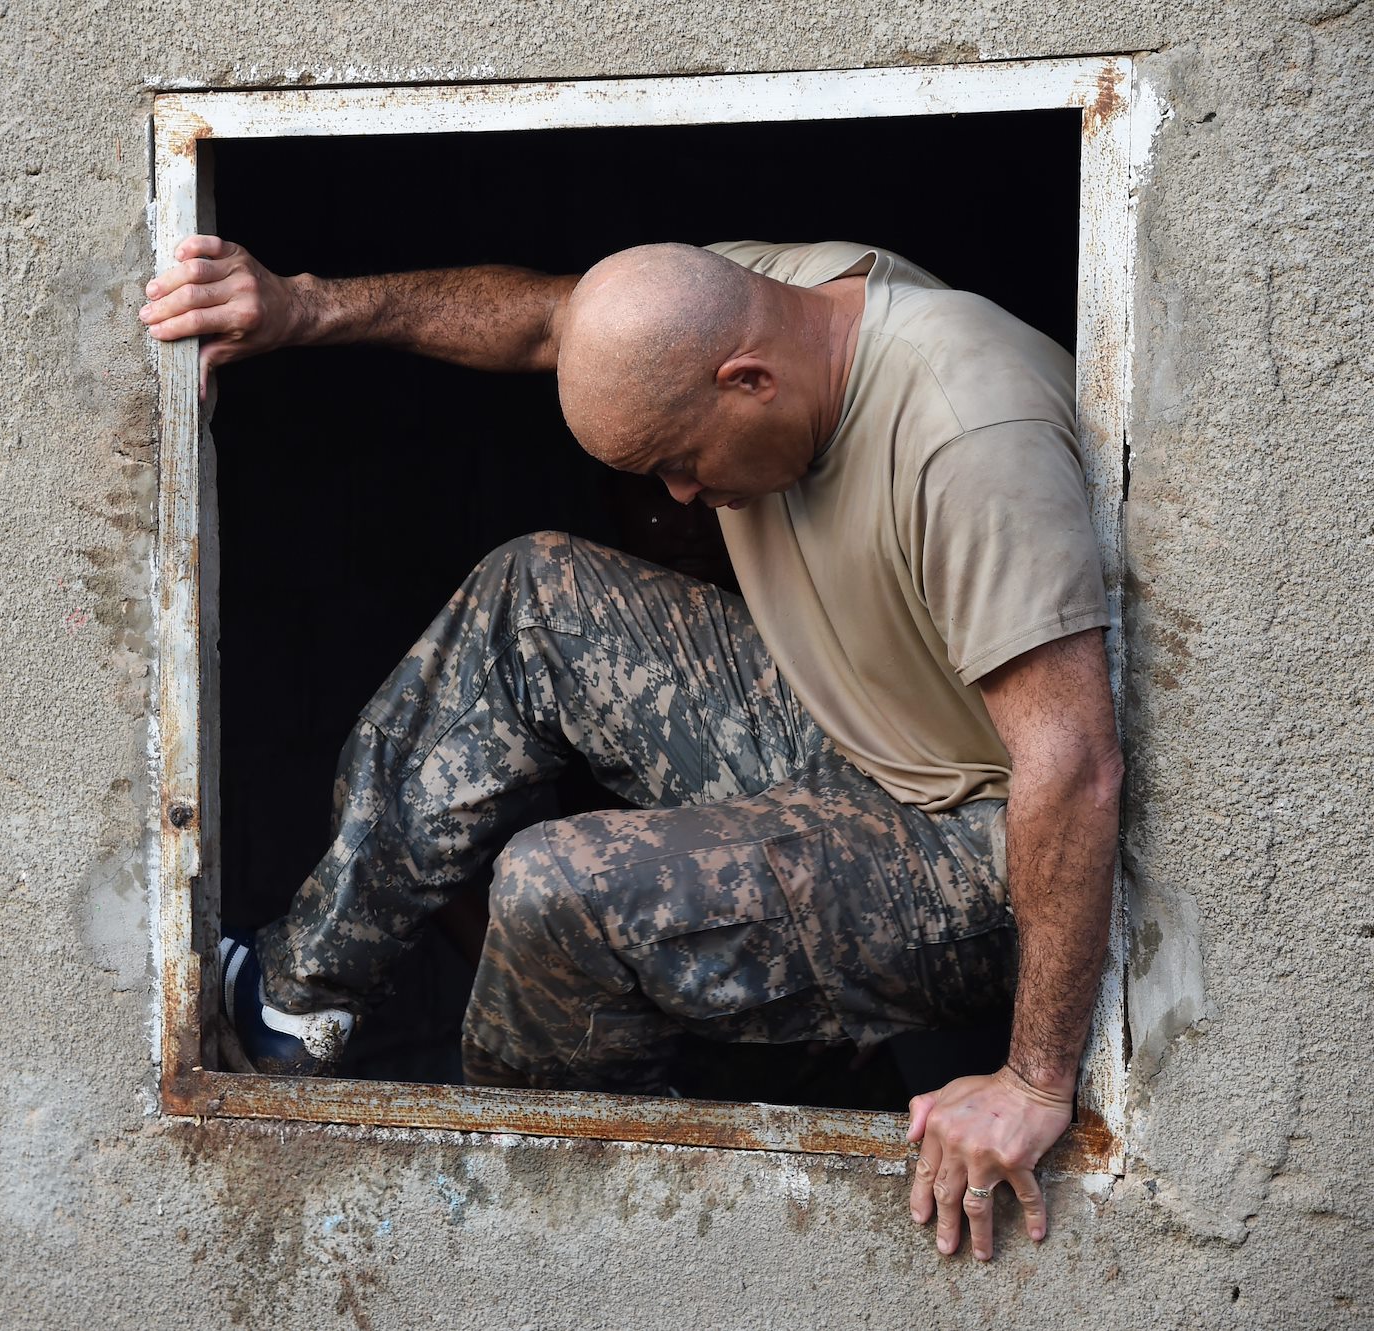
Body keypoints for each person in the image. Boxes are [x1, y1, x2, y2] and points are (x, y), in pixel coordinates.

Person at [141, 235, 1122, 1263]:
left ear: (745, 379)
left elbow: (1073, 766)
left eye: (680, 461)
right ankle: (295, 1009)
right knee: (535, 591)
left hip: (989, 838)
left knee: (556, 885)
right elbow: (553, 317)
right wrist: (301, 306)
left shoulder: (970, 434)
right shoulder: (771, 296)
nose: (680, 498)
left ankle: (539, 1237)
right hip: (859, 725)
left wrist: (1033, 1079)